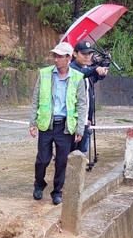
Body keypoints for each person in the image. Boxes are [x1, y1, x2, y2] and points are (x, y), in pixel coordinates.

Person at [29, 41, 88, 205]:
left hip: (65, 126)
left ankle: (57, 192)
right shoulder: (45, 74)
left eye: (60, 56)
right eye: (54, 56)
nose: (56, 59)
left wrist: (79, 128)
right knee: (42, 159)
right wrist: (32, 122)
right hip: (46, 124)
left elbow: (81, 104)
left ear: (69, 58)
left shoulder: (77, 78)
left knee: (62, 161)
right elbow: (36, 99)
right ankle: (39, 185)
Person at [69, 39, 109, 159]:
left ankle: (78, 173)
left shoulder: (88, 70)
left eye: (89, 54)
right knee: (71, 151)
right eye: (84, 53)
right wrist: (95, 68)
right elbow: (82, 73)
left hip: (86, 119)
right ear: (75, 54)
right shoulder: (71, 69)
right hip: (73, 119)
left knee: (82, 151)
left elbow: (97, 76)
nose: (87, 56)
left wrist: (105, 63)